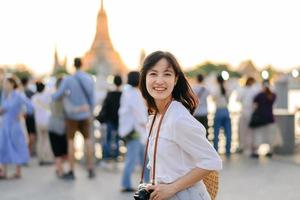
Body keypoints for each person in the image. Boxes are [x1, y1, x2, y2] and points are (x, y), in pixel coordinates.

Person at [139, 51, 222, 200]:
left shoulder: (178, 118)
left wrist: (172, 188)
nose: (159, 80)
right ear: (144, 78)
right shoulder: (155, 117)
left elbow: (212, 161)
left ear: (176, 79)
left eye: (167, 74)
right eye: (153, 74)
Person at [52, 57, 95, 179]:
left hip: (71, 116)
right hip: (86, 114)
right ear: (82, 65)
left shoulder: (68, 79)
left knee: (71, 142)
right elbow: (92, 99)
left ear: (73, 65)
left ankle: (71, 170)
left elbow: (57, 95)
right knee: (88, 141)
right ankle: (90, 168)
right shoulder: (89, 78)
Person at [118, 71, 149, 192]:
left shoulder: (127, 92)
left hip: (130, 131)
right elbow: (140, 113)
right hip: (135, 131)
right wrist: (146, 124)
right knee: (137, 159)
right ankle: (126, 184)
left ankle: (147, 184)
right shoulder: (135, 94)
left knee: (143, 159)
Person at [0, 77, 33, 179]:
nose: (4, 85)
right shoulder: (4, 95)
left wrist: (22, 114)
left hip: (14, 126)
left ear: (12, 84)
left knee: (16, 146)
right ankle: (3, 172)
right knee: (3, 147)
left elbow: (30, 107)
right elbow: (3, 108)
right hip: (4, 125)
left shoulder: (18, 95)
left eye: (6, 83)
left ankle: (18, 171)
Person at [250, 80, 282, 158]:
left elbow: (254, 103)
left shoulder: (259, 95)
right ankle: (270, 150)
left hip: (260, 119)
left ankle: (256, 151)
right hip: (270, 118)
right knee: (270, 136)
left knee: (258, 135)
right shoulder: (273, 95)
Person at [98, 75, 122, 160]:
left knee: (108, 138)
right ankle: (116, 155)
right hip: (119, 120)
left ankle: (107, 156)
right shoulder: (123, 95)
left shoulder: (110, 94)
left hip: (110, 120)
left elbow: (105, 107)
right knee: (117, 139)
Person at [32, 81, 54, 165]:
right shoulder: (46, 96)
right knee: (47, 140)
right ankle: (47, 158)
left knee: (40, 140)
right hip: (46, 120)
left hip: (38, 121)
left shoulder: (34, 98)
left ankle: (40, 158)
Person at [236, 77, 259, 154]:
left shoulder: (242, 90)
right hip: (251, 113)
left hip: (243, 112)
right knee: (252, 131)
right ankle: (253, 148)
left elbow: (238, 99)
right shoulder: (255, 90)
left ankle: (242, 146)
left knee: (242, 130)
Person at [211, 75, 232, 157]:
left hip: (218, 111)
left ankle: (216, 151)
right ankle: (228, 151)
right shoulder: (227, 88)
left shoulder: (215, 89)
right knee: (228, 133)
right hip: (226, 111)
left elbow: (213, 99)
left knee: (216, 133)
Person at [20, 77, 37, 156]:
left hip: (23, 117)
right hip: (29, 116)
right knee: (31, 135)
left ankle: (26, 153)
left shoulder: (19, 92)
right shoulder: (29, 92)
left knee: (25, 136)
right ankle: (28, 153)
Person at [193, 74, 210, 138]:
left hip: (196, 113)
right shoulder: (205, 89)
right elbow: (210, 93)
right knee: (205, 133)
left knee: (196, 134)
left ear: (196, 79)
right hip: (204, 113)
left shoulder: (193, 88)